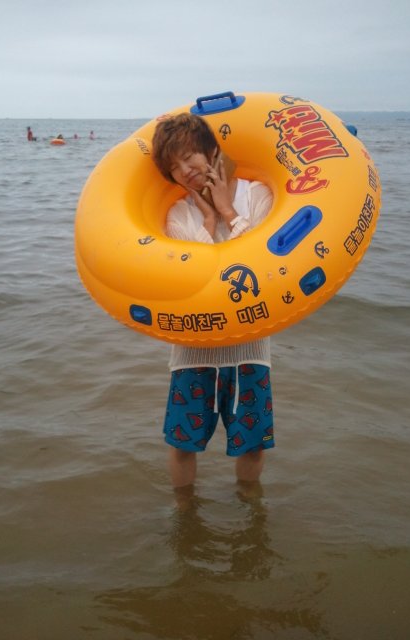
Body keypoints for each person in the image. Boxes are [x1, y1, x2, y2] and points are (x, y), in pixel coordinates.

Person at [151, 113, 275, 492]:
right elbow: (191, 279)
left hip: (249, 348)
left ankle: (251, 510)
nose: (185, 171)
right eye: (174, 167)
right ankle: (185, 514)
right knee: (182, 445)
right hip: (193, 350)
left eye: (189, 157)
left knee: (252, 446)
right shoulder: (178, 216)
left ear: (211, 151)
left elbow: (264, 265)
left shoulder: (257, 196)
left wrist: (228, 212)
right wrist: (207, 221)